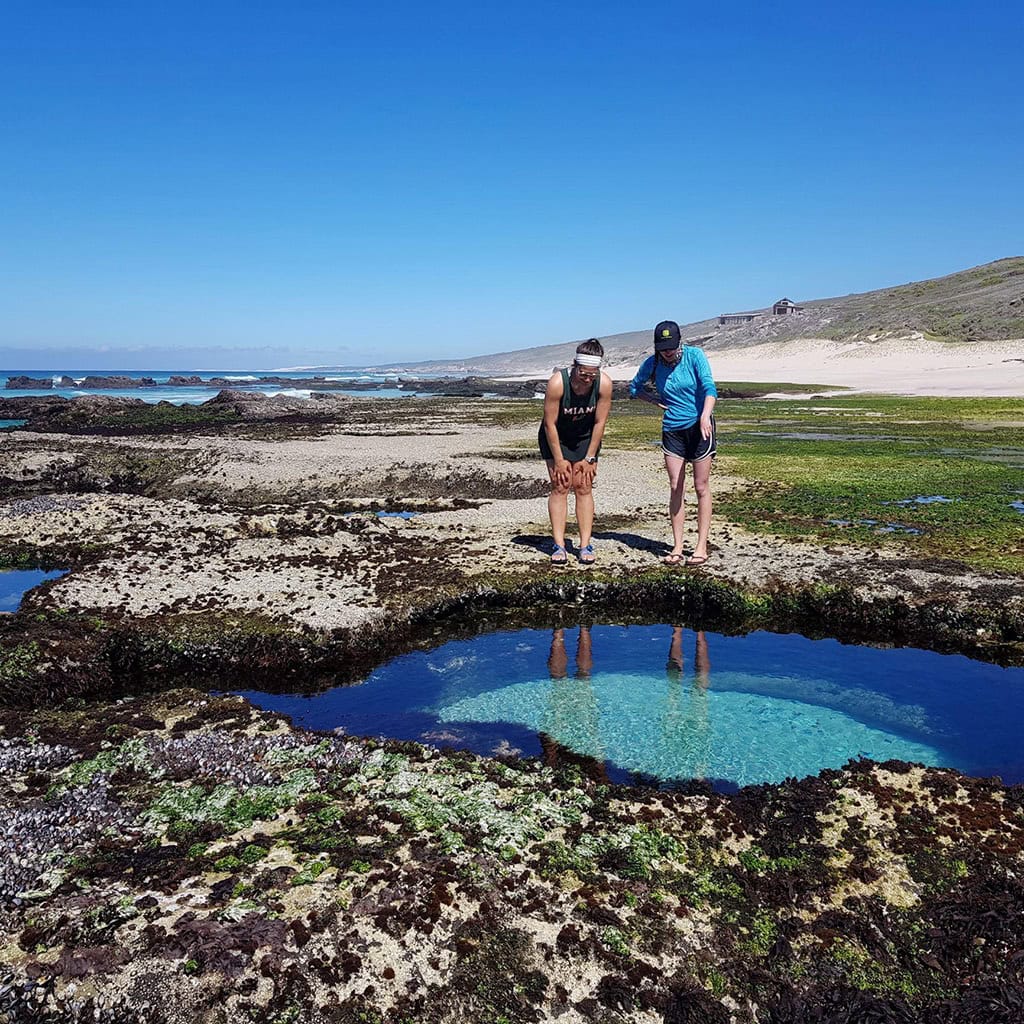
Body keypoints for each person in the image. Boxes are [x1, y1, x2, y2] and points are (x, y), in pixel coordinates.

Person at [629, 320, 718, 566]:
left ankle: (701, 547)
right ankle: (677, 547)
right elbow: (634, 388)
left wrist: (704, 416)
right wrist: (654, 400)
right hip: (672, 429)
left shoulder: (694, 356)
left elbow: (710, 388)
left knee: (701, 486)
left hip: (700, 427)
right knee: (675, 485)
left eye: (671, 346)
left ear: (680, 341)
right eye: (662, 347)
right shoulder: (653, 363)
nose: (667, 351)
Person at [538, 339, 613, 565]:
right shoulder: (557, 383)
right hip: (556, 437)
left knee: (583, 486)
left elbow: (600, 422)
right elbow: (549, 424)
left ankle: (585, 544)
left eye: (592, 374)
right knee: (560, 485)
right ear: (575, 367)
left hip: (585, 437)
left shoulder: (604, 384)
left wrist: (590, 457)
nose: (587, 379)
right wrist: (559, 460)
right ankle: (559, 545)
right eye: (583, 374)